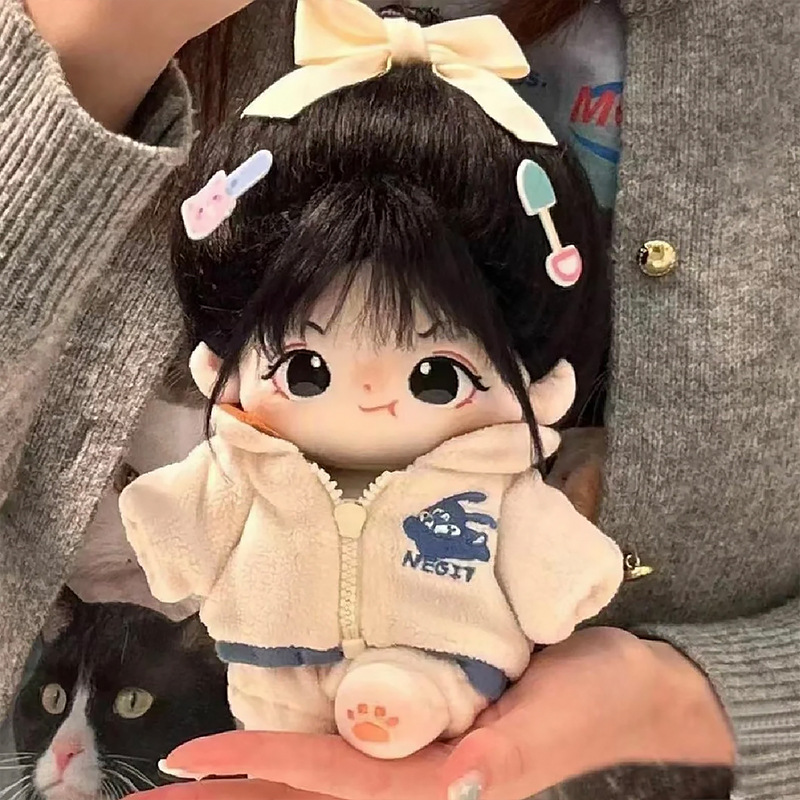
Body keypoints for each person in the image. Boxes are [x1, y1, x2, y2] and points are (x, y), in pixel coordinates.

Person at [0, 0, 796, 798]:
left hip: (449, 668)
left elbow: (555, 564)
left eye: (435, 377)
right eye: (306, 369)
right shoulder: (249, 459)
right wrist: (85, 51)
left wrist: (686, 699)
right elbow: (180, 525)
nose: (374, 399)